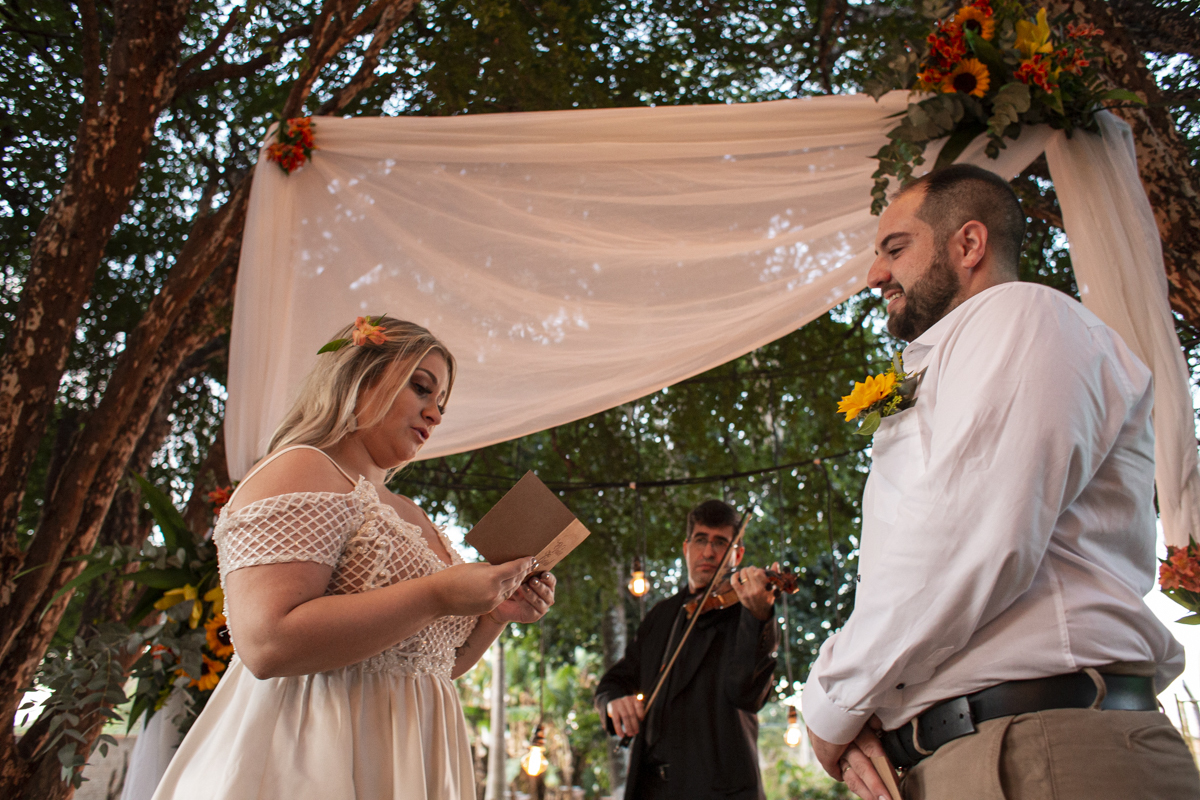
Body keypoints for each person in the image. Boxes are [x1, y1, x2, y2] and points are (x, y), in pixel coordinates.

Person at [801, 164, 1200, 800]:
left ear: (969, 244)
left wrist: (831, 702)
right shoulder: (957, 354)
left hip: (1041, 748)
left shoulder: (1022, 314)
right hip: (974, 753)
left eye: (895, 249)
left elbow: (967, 537)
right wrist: (875, 713)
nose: (875, 274)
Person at [152, 316, 556, 800]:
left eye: (441, 404)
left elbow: (430, 666)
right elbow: (266, 643)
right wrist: (438, 594)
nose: (435, 415)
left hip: (410, 758)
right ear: (361, 377)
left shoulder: (412, 514)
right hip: (313, 751)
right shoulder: (304, 467)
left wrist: (494, 616)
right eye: (421, 388)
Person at [594, 500, 779, 800]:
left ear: (738, 554)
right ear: (686, 547)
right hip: (652, 790)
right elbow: (613, 682)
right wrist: (612, 702)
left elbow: (746, 694)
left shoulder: (746, 613)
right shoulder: (661, 615)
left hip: (719, 792)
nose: (708, 552)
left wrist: (758, 618)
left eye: (721, 542)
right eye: (701, 540)